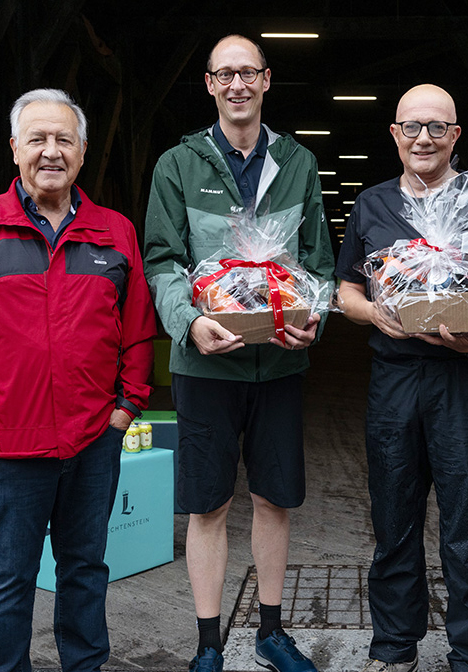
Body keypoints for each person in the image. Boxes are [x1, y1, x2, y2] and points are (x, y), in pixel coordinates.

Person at [0, 88, 156, 672]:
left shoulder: (113, 232)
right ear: (15, 149)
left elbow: (139, 329)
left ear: (81, 152)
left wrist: (124, 408)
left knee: (85, 571)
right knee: (6, 578)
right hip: (7, 444)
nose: (51, 152)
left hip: (91, 440)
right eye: (38, 139)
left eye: (63, 140)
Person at [142, 34, 334, 672]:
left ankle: (272, 633)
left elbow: (318, 265)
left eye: (248, 73)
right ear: (209, 84)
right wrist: (189, 323)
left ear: (267, 80)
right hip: (203, 364)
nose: (237, 85)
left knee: (274, 498)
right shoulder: (178, 164)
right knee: (209, 503)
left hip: (279, 360)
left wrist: (312, 322)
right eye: (225, 74)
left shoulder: (300, 164)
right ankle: (207, 643)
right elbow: (163, 261)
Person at [335, 84, 468, 672]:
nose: (423, 139)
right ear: (394, 134)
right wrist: (377, 315)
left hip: (464, 379)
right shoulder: (371, 205)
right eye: (411, 127)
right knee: (393, 517)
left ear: (455, 136)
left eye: (437, 128)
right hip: (394, 378)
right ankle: (393, 645)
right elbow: (346, 290)